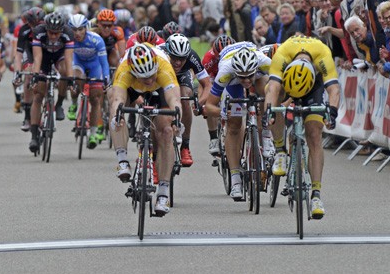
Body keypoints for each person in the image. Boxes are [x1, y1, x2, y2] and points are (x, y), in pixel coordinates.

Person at [263, 36, 340, 219]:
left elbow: (334, 89)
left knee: (314, 135)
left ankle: (316, 195)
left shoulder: (322, 53)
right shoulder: (282, 54)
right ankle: (281, 149)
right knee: (274, 106)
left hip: (314, 86)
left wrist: (333, 112)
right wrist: (269, 112)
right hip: (286, 84)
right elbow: (273, 88)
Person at [109, 43, 182, 216]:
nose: (149, 80)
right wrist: (117, 116)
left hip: (160, 91)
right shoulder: (124, 69)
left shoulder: (164, 67)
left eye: (151, 75)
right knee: (114, 105)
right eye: (144, 77)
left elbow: (174, 99)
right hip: (133, 89)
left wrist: (177, 118)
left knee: (166, 131)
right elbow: (118, 98)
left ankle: (163, 193)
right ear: (133, 71)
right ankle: (122, 161)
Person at [202, 44, 271, 200]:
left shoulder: (264, 63)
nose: (246, 80)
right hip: (231, 82)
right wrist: (222, 112)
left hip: (258, 72)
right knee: (234, 124)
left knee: (268, 92)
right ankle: (235, 180)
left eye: (249, 76)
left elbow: (280, 89)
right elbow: (209, 106)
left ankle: (266, 133)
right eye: (242, 77)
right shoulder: (226, 72)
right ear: (236, 72)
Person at [26, 12, 75, 153]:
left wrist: (70, 79)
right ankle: (34, 136)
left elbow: (68, 59)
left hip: (59, 57)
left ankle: (59, 104)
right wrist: (36, 75)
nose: (53, 36)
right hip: (44, 58)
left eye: (56, 33)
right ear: (45, 29)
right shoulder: (38, 32)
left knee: (65, 71)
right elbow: (37, 56)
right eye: (51, 33)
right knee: (38, 95)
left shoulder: (68, 33)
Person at [160, 33, 210, 166]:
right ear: (168, 52)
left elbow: (207, 84)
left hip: (183, 76)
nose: (177, 62)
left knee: (185, 97)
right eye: (175, 58)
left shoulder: (192, 56)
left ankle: (185, 146)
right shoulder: (159, 53)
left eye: (182, 59)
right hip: (162, 74)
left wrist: (200, 102)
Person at [66, 13, 109, 148]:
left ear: (86, 28)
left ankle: (93, 133)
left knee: (96, 100)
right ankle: (74, 103)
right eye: (74, 30)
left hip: (94, 65)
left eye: (80, 29)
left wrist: (106, 78)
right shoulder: (69, 40)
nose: (77, 33)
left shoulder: (96, 40)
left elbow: (104, 63)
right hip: (78, 63)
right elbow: (66, 59)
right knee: (77, 78)